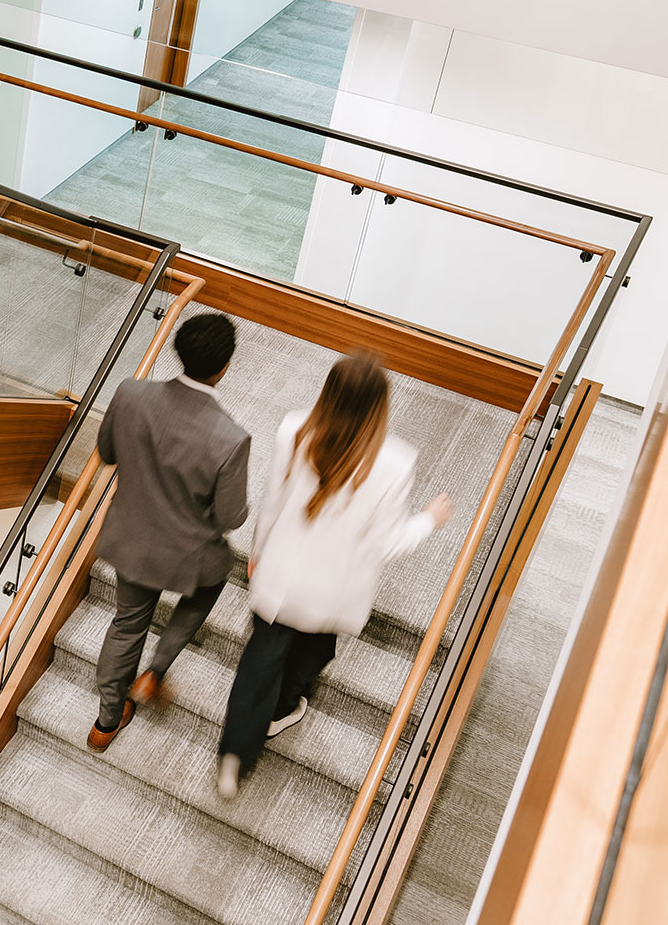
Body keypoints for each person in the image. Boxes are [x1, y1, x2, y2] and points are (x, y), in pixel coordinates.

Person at [215, 352, 450, 799]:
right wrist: (427, 520)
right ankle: (283, 709)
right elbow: (385, 545)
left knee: (260, 661)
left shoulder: (294, 429)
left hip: (282, 580)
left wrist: (258, 550)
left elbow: (273, 500)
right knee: (314, 652)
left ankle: (233, 754)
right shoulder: (395, 463)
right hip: (334, 590)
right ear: (380, 406)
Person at [87, 312, 251, 753]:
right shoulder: (231, 437)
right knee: (221, 570)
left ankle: (104, 724)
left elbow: (105, 452)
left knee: (126, 625)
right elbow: (232, 517)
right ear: (225, 366)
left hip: (133, 540)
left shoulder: (130, 393)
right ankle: (156, 669)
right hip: (186, 556)